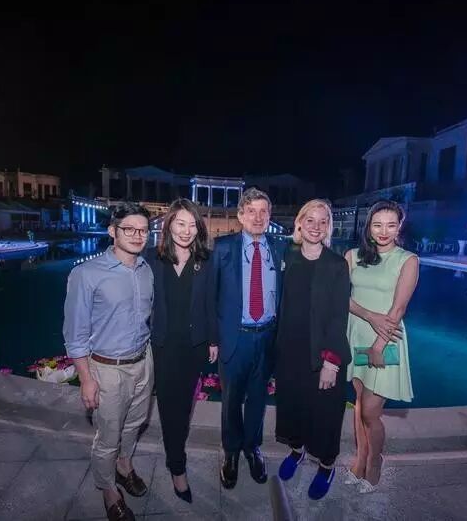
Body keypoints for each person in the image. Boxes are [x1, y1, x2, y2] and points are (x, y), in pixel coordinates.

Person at [63, 202, 154, 521]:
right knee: (108, 436)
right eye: (129, 229)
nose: (138, 235)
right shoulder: (86, 274)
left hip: (143, 360)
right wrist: (86, 378)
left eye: (143, 230)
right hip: (107, 368)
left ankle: (124, 465)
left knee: (135, 423)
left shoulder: (146, 270)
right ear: (112, 231)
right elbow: (75, 333)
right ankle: (108, 490)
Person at [274, 199, 351, 500]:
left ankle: (327, 465)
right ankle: (297, 451)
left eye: (323, 221)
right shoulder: (288, 255)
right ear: (299, 223)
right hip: (291, 350)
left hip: (323, 354)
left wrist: (331, 362)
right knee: (294, 404)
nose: (316, 227)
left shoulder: (336, 264)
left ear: (328, 227)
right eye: (310, 220)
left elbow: (338, 316)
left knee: (325, 413)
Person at [213, 187, 287, 489]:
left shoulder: (281, 248)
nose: (258, 217)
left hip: (267, 337)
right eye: (251, 211)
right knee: (231, 399)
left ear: (269, 216)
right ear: (240, 215)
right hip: (236, 338)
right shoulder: (222, 248)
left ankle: (252, 448)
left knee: (258, 397)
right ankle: (230, 452)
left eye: (263, 212)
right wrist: (213, 339)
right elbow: (210, 296)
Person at [144, 199, 218, 504]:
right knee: (168, 407)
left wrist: (213, 340)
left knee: (184, 408)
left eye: (192, 225)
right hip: (162, 345)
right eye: (180, 223)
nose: (186, 231)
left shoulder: (206, 260)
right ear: (169, 225)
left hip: (193, 346)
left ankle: (175, 456)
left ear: (199, 228)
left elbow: (211, 303)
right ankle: (177, 466)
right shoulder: (152, 258)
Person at [344, 200, 419, 494]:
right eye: (377, 225)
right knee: (359, 403)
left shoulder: (407, 260)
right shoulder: (352, 256)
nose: (383, 231)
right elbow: (341, 297)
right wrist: (369, 316)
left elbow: (398, 309)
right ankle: (360, 459)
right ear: (369, 227)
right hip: (356, 334)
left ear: (399, 227)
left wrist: (378, 345)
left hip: (386, 339)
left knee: (370, 412)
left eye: (391, 225)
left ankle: (375, 461)